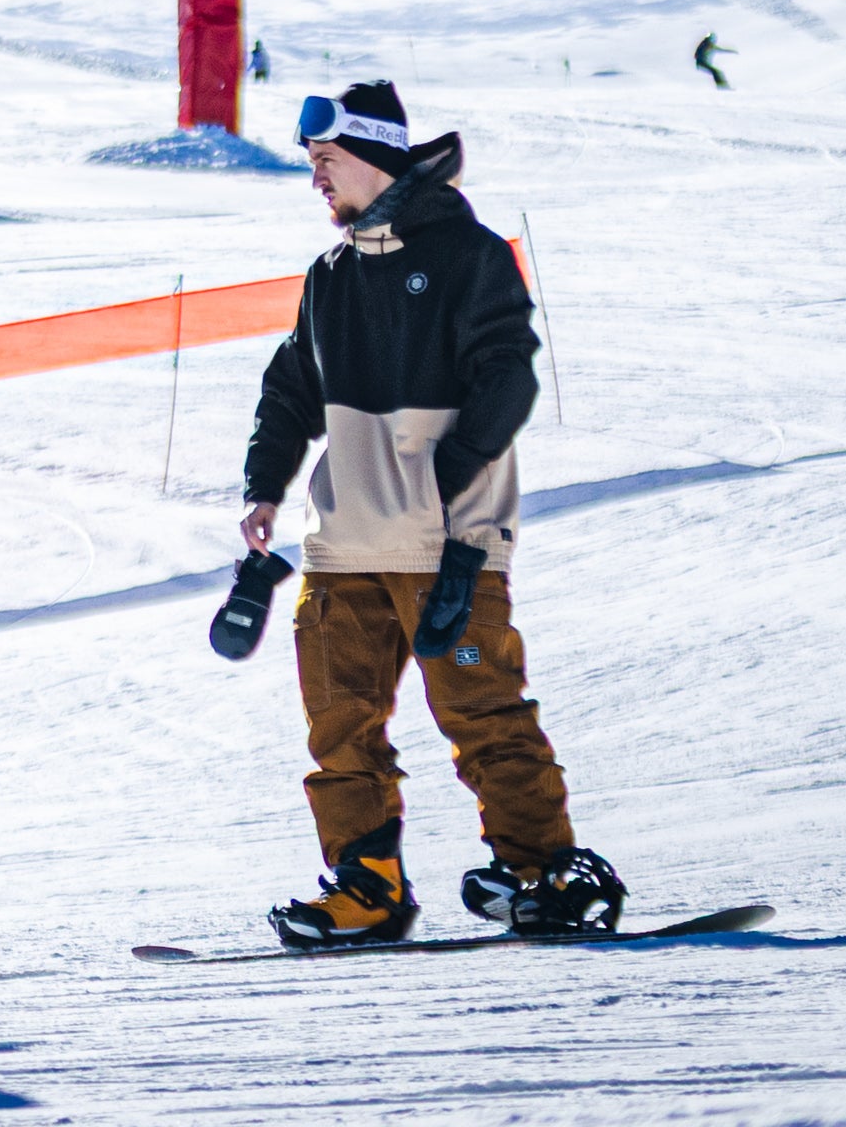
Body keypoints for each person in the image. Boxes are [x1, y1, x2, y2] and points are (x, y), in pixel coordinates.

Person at [240, 80, 625, 949]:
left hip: (448, 547)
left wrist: (445, 477)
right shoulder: (331, 274)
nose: (315, 179)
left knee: (482, 715)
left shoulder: (466, 255)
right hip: (342, 546)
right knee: (339, 729)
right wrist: (263, 485)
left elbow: (508, 375)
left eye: (326, 161)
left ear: (373, 157)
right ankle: (367, 885)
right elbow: (291, 386)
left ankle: (543, 872)